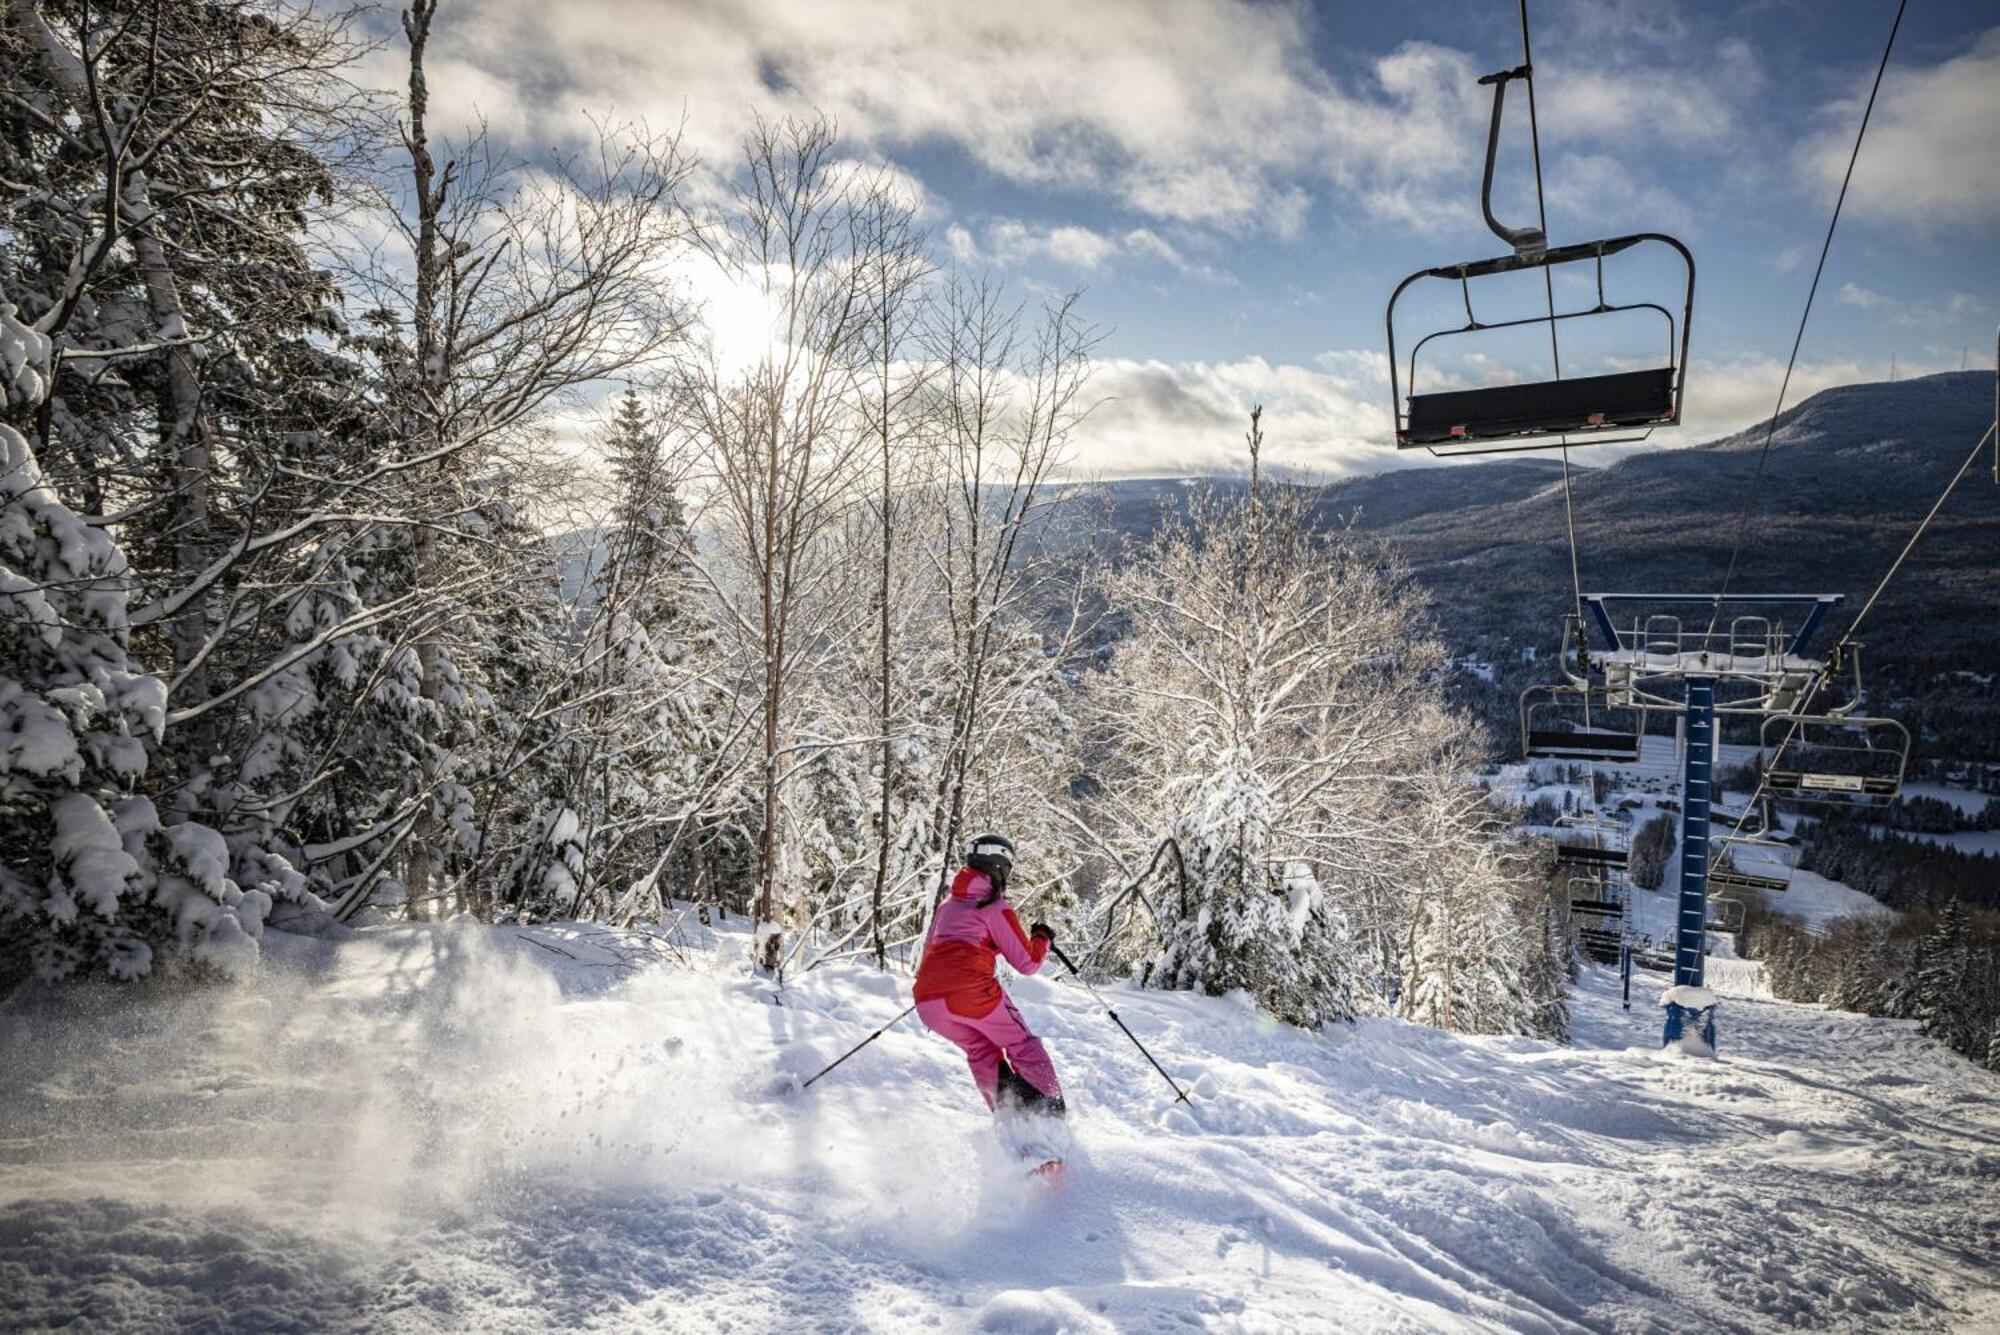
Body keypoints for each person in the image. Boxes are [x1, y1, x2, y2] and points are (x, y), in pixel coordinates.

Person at [913, 833, 1065, 1118]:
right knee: (1023, 1044)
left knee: (981, 1050)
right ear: (999, 868)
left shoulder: (947, 907)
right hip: (971, 994)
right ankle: (1048, 1119)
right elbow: (1028, 963)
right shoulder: (995, 908)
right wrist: (1042, 938)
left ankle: (1010, 1121)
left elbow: (940, 952)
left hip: (928, 1002)